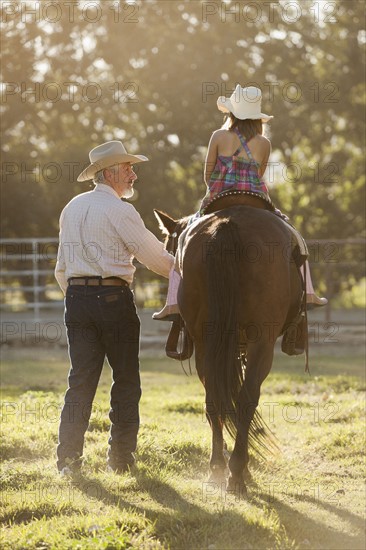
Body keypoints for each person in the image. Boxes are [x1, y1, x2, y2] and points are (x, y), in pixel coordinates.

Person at [153, 85, 327, 320]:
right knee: (295, 237)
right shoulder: (264, 143)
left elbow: (208, 174)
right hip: (256, 198)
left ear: (232, 113)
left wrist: (220, 185)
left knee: (183, 238)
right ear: (257, 118)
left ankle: (172, 302)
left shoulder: (218, 136)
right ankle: (308, 292)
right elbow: (259, 175)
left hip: (219, 197)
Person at [55, 140, 174, 476]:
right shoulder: (121, 211)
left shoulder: (72, 207)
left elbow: (61, 268)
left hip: (76, 299)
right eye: (128, 169)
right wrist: (190, 268)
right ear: (109, 174)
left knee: (80, 380)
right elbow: (156, 259)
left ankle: (68, 461)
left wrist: (78, 296)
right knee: (125, 379)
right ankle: (120, 460)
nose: (133, 175)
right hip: (113, 300)